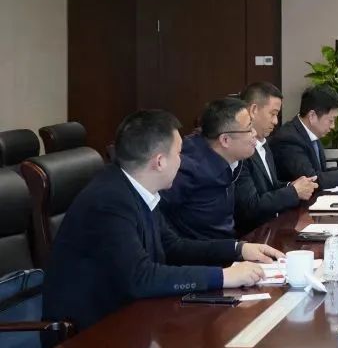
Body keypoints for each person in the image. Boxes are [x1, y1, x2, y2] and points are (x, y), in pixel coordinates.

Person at [43, 110, 281, 333]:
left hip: (134, 315)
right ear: (159, 162)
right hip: (95, 331)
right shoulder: (109, 201)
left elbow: (173, 245)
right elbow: (141, 277)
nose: (182, 161)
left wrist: (238, 249)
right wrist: (222, 277)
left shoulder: (137, 187)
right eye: (179, 154)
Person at [159, 97, 257, 240]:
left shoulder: (233, 157)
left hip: (229, 244)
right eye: (249, 129)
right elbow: (157, 216)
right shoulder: (187, 170)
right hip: (201, 250)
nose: (254, 133)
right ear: (225, 140)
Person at [234, 82, 318, 235]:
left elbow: (270, 186)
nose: (275, 121)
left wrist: (292, 185)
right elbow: (251, 206)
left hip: (272, 228)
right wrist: (293, 192)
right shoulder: (240, 150)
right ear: (253, 110)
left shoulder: (264, 143)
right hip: (252, 235)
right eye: (272, 114)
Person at [269, 85, 338, 188]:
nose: (333, 126)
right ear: (312, 116)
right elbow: (312, 181)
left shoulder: (311, 134)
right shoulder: (288, 139)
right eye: (331, 120)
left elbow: (319, 172)